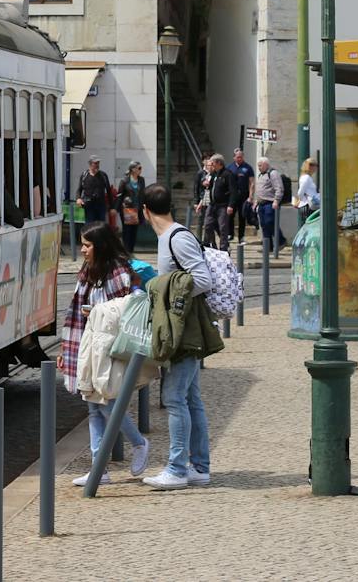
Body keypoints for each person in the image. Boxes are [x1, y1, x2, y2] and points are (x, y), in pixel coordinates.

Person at [58, 222, 150, 483]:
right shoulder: (89, 269)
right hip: (87, 344)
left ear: (100, 245)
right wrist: (67, 350)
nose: (83, 250)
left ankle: (139, 443)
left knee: (107, 404)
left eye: (87, 245)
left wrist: (95, 312)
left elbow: (123, 311)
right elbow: (74, 313)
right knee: (93, 407)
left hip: (107, 347)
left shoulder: (118, 272)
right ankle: (100, 470)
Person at [141, 181, 219, 489]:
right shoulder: (169, 237)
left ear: (145, 211)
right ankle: (199, 467)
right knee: (190, 398)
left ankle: (176, 469)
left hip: (183, 329)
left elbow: (202, 279)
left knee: (175, 398)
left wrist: (168, 295)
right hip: (182, 324)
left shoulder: (176, 237)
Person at [194, 155, 232, 250]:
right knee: (207, 225)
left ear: (219, 163)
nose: (210, 166)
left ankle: (224, 249)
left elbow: (233, 191)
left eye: (212, 164)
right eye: (209, 164)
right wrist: (200, 203)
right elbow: (208, 190)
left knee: (222, 228)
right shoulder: (213, 174)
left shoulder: (227, 174)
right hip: (211, 204)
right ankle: (212, 246)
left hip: (223, 205)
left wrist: (231, 205)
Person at [254, 158, 287, 257]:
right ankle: (268, 247)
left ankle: (281, 240)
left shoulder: (273, 173)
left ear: (266, 164)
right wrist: (256, 201)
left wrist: (276, 200)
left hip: (270, 203)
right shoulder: (261, 175)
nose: (259, 168)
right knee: (264, 225)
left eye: (260, 165)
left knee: (270, 222)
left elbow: (279, 188)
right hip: (261, 204)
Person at [77, 157, 113, 227]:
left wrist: (112, 207)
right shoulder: (84, 175)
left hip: (101, 206)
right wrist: (78, 198)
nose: (97, 165)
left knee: (101, 226)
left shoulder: (103, 175)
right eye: (95, 163)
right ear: (90, 164)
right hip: (89, 206)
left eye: (98, 163)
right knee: (89, 226)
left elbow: (109, 191)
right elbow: (79, 189)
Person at [118, 162, 146, 249]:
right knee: (127, 230)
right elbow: (119, 195)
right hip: (127, 209)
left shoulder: (141, 180)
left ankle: (131, 249)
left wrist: (144, 206)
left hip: (137, 209)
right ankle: (126, 250)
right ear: (133, 169)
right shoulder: (124, 180)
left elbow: (143, 194)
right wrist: (116, 208)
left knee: (134, 230)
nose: (141, 170)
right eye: (139, 168)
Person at [230, 149, 255, 244]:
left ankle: (241, 237)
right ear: (234, 157)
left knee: (242, 217)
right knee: (230, 216)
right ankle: (230, 234)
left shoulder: (248, 168)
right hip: (232, 196)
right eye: (237, 157)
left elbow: (251, 183)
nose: (239, 158)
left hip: (244, 196)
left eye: (241, 157)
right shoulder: (230, 167)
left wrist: (251, 196)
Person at [295, 158, 320, 225]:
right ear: (311, 166)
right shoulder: (306, 178)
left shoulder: (306, 177)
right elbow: (300, 192)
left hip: (307, 205)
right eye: (316, 165)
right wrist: (301, 199)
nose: (316, 168)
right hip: (307, 205)